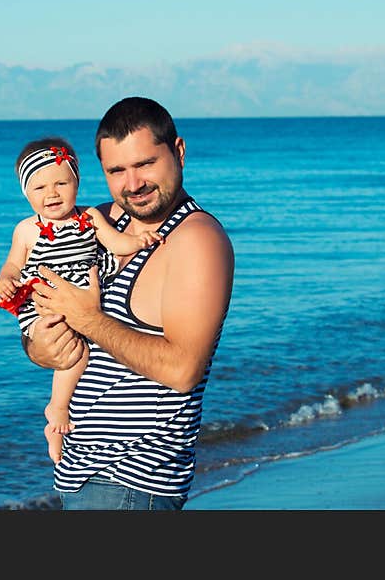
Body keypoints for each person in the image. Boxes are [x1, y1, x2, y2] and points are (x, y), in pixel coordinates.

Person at [26, 96, 234, 510]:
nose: (132, 183)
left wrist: (86, 318)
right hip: (79, 474)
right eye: (116, 170)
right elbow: (46, 320)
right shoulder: (98, 222)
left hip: (133, 486)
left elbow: (182, 371)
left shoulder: (196, 241)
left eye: (145, 164)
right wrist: (40, 347)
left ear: (178, 151)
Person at [0, 137, 163, 464]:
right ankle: (57, 408)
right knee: (76, 352)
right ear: (26, 194)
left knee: (84, 350)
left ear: (77, 183)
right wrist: (4, 281)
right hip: (44, 304)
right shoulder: (27, 230)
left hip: (83, 296)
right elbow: (13, 265)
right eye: (39, 187)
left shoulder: (90, 218)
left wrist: (140, 240)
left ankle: (58, 432)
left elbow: (117, 243)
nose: (52, 193)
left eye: (61, 183)